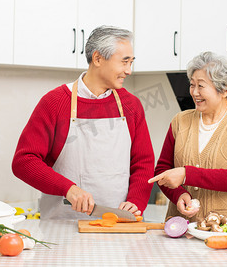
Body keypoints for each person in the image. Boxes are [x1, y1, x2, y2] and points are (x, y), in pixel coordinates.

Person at [12, 26, 154, 220]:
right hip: (62, 224)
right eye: (124, 62)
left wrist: (135, 202)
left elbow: (143, 162)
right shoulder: (55, 103)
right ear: (97, 59)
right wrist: (68, 189)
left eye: (131, 62)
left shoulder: (131, 106)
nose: (129, 71)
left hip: (119, 223)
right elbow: (24, 161)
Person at [148, 51, 227, 222]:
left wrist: (186, 175)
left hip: (226, 227)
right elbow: (163, 170)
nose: (194, 92)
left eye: (201, 86)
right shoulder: (180, 121)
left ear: (224, 90)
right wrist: (178, 195)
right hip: (181, 225)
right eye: (192, 85)